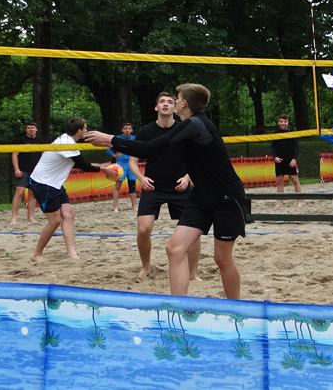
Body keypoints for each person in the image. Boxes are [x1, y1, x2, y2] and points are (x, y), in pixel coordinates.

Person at [86, 83, 247, 297]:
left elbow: (151, 149)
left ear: (184, 103)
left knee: (222, 258)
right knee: (174, 248)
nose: (173, 101)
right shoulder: (186, 126)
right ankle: (178, 308)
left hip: (227, 197)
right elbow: (153, 148)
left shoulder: (196, 125)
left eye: (177, 98)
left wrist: (110, 140)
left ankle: (236, 310)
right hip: (201, 197)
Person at [130, 93, 198, 281]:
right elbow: (133, 162)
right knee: (143, 229)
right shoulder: (146, 132)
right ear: (156, 107)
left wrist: (187, 177)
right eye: (162, 101)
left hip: (179, 186)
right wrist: (140, 178)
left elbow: (199, 160)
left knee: (193, 231)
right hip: (153, 186)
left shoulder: (185, 129)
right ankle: (146, 267)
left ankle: (193, 273)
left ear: (175, 107)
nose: (166, 104)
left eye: (170, 101)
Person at [29, 117, 116, 261]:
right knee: (55, 221)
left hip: (54, 184)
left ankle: (72, 252)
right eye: (85, 128)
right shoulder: (67, 143)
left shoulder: (68, 141)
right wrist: (103, 168)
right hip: (43, 184)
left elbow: (77, 163)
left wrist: (103, 165)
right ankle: (37, 254)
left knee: (68, 215)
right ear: (79, 131)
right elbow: (83, 165)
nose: (87, 131)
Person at [10, 122, 41, 226]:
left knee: (33, 195)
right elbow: (15, 155)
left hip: (36, 171)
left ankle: (30, 217)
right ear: (26, 130)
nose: (31, 129)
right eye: (28, 128)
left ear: (36, 129)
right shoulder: (20, 140)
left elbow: (45, 155)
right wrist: (16, 169)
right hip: (23, 170)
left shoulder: (40, 141)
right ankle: (13, 218)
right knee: (19, 192)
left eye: (32, 127)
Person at [109, 122, 137, 212]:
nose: (127, 130)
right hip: (120, 164)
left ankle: (134, 206)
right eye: (125, 128)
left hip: (131, 163)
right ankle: (116, 207)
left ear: (132, 130)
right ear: (122, 130)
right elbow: (106, 148)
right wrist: (114, 155)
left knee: (132, 185)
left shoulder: (135, 139)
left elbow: (141, 149)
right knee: (118, 185)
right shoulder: (117, 139)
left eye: (129, 128)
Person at [271, 114, 301, 193]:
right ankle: (280, 201)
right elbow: (273, 147)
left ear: (288, 123)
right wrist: (274, 157)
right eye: (281, 121)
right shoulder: (275, 133)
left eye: (285, 121)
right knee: (279, 180)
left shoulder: (292, 133)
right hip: (279, 160)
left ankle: (299, 200)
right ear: (278, 122)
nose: (283, 123)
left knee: (295, 179)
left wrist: (294, 159)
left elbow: (296, 147)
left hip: (290, 159)